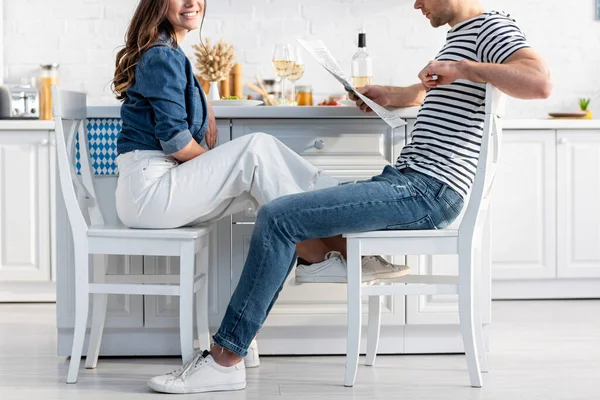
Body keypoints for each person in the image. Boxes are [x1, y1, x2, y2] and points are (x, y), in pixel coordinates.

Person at [145, 0, 552, 394]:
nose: (415, 6)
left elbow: (539, 83)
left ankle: (223, 361)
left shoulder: (491, 28)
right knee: (299, 199)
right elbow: (446, 90)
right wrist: (396, 95)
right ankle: (329, 258)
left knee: (278, 217)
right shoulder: (459, 36)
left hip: (426, 191)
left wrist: (464, 66)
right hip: (410, 182)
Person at [113, 0, 409, 383]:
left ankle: (250, 329)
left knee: (270, 195)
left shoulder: (169, 54)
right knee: (256, 150)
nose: (191, 2)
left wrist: (205, 106)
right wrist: (213, 157)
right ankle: (336, 244)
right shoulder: (161, 56)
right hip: (149, 191)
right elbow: (175, 143)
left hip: (157, 185)